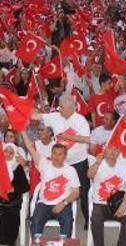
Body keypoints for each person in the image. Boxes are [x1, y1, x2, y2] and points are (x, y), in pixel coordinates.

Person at [31, 94, 91, 227]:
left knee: (83, 191)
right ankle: (49, 214)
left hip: (79, 161)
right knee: (56, 186)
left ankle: (88, 218)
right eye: (59, 107)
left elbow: (88, 139)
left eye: (62, 107)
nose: (60, 109)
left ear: (71, 108)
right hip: (60, 163)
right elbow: (36, 116)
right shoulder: (55, 117)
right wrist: (28, 106)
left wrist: (69, 137)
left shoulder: (81, 120)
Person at [88, 143, 126, 246]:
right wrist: (97, 163)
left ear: (119, 152)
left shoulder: (123, 166)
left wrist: (124, 205)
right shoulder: (99, 163)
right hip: (101, 203)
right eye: (110, 149)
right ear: (105, 151)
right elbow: (89, 175)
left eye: (116, 149)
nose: (113, 152)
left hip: (117, 204)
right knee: (95, 218)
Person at [0, 142, 29, 246]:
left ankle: (10, 241)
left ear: (14, 155)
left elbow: (26, 187)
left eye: (11, 153)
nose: (8, 154)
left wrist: (14, 189)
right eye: (5, 151)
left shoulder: (17, 168)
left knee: (10, 214)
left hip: (12, 200)